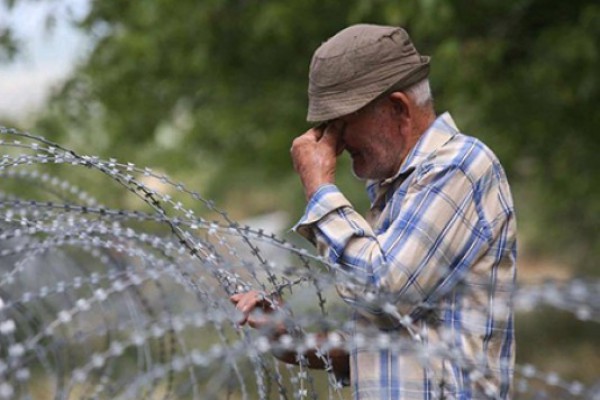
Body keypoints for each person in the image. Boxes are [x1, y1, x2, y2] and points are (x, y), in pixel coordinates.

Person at [231, 24, 516, 399]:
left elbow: (387, 296)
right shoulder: (399, 191)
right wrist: (289, 338)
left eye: (343, 123)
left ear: (398, 108)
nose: (336, 141)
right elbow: (386, 343)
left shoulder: (459, 167)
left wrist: (320, 192)